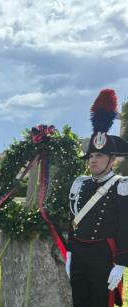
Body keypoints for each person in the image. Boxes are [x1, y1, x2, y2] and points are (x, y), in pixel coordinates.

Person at [66, 89, 128, 307]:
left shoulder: (121, 186)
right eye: (91, 156)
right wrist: (71, 251)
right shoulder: (81, 184)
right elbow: (73, 219)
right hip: (80, 253)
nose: (93, 160)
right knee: (79, 302)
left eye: (99, 155)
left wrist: (121, 262)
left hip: (104, 255)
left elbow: (125, 227)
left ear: (112, 160)